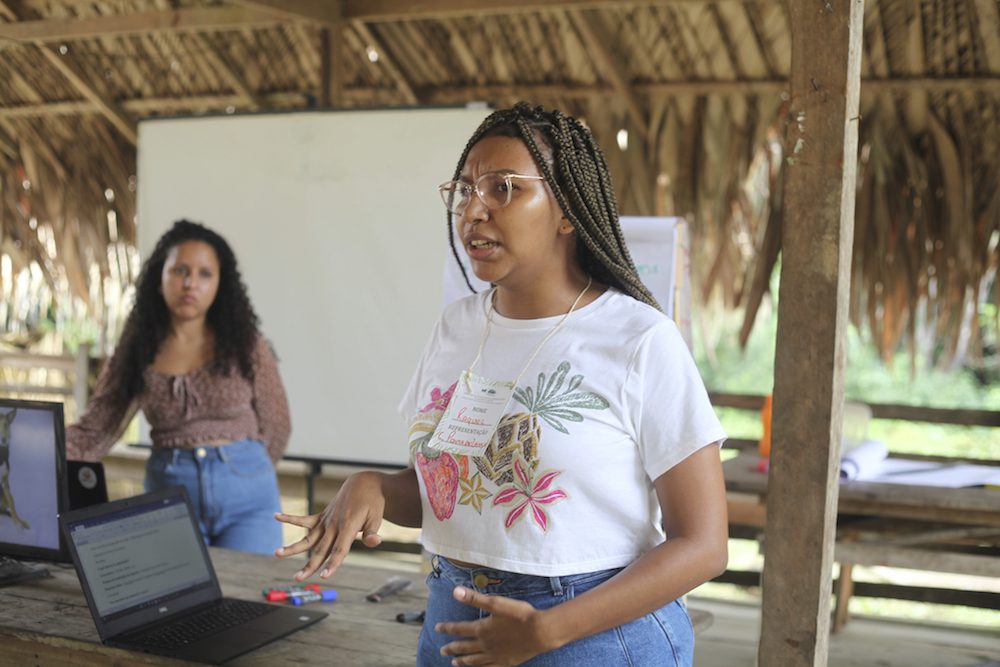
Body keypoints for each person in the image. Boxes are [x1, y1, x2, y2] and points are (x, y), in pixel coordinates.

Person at [276, 103, 728, 666]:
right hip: (454, 617)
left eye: (504, 189)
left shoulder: (638, 339)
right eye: (464, 190)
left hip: (592, 634)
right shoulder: (457, 327)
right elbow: (460, 496)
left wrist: (549, 629)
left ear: (567, 211)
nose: (474, 210)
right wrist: (374, 487)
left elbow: (704, 545)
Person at [67, 219, 290, 556]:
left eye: (204, 274)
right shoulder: (138, 346)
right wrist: (34, 451)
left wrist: (244, 471)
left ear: (220, 284)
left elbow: (278, 424)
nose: (190, 283)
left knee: (248, 602)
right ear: (160, 277)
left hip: (249, 499)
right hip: (169, 496)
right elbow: (96, 429)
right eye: (179, 271)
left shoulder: (245, 343)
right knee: (174, 604)